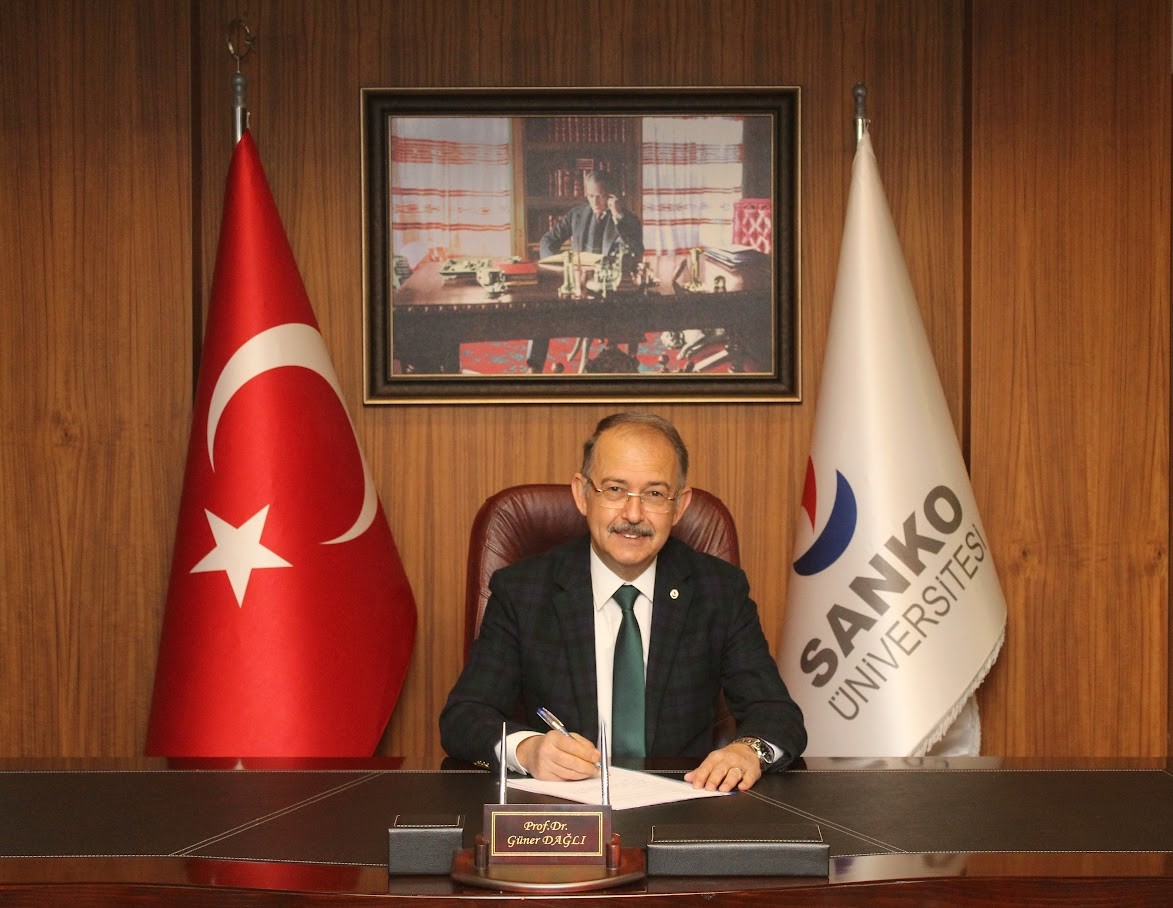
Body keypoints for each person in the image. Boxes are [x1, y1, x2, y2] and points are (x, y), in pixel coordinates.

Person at [440, 413, 806, 792]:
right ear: (582, 493)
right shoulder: (523, 591)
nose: (633, 515)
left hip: (682, 804)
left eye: (654, 494)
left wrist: (749, 751)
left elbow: (777, 714)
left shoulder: (719, 590)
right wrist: (527, 750)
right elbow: (465, 716)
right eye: (615, 489)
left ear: (680, 506)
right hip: (567, 812)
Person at [529, 171, 645, 373]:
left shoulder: (627, 219)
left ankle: (624, 365)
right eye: (590, 196)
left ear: (611, 195)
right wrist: (560, 265)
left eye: (600, 196)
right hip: (579, 289)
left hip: (610, 294)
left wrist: (618, 216)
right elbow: (547, 241)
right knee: (541, 311)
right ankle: (534, 366)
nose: (595, 201)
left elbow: (636, 251)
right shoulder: (577, 215)